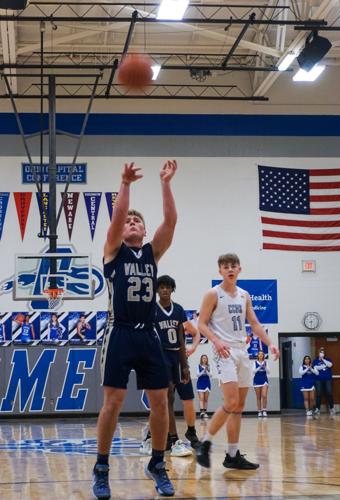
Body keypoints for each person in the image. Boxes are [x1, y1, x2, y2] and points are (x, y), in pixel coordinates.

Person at [93, 160, 178, 499]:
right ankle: (101, 468)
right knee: (112, 401)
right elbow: (116, 220)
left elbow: (171, 221)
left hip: (149, 334)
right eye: (129, 219)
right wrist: (125, 185)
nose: (131, 222)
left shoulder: (151, 254)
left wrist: (165, 183)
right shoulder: (113, 252)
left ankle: (157, 463)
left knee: (160, 401)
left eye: (137, 221)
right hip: (120, 332)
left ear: (144, 232)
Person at [195, 253, 280, 470]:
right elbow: (201, 324)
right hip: (223, 351)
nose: (230, 269)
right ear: (220, 270)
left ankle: (232, 455)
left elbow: (254, 323)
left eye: (233, 266)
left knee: (239, 406)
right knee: (231, 401)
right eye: (225, 266)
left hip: (243, 351)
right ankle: (204, 442)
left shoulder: (244, 295)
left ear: (239, 269)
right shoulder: (213, 294)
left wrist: (270, 343)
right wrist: (216, 341)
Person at [140, 274, 200, 458]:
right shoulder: (151, 309)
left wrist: (185, 364)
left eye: (168, 287)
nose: (165, 289)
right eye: (161, 287)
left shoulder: (178, 310)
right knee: (166, 399)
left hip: (175, 356)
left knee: (170, 400)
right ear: (157, 290)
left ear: (172, 289)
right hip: (159, 356)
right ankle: (173, 440)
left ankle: (153, 434)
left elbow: (182, 338)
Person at [312, 347, 335, 415]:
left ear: (324, 354)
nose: (321, 353)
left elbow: (330, 365)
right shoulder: (315, 361)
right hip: (318, 380)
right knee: (318, 394)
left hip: (328, 379)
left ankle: (332, 408)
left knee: (329, 393)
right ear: (318, 353)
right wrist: (324, 366)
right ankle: (317, 409)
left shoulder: (328, 359)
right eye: (320, 352)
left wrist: (323, 359)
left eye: (323, 352)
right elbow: (316, 368)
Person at [253, 350, 270, 418]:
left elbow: (269, 372)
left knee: (264, 395)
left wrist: (264, 367)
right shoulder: (255, 363)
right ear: (258, 356)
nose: (260, 355)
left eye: (262, 354)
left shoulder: (266, 363)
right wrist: (260, 367)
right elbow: (253, 371)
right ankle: (259, 411)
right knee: (258, 397)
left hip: (264, 380)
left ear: (263, 356)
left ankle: (264, 410)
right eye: (259, 354)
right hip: (257, 380)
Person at [196, 354, 211, 419]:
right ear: (201, 359)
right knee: (201, 398)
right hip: (200, 383)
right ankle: (202, 412)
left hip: (207, 383)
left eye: (205, 358)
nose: (204, 359)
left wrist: (206, 371)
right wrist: (203, 371)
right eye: (203, 358)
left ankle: (205, 412)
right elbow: (198, 375)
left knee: (206, 399)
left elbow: (211, 375)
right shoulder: (198, 366)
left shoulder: (209, 366)